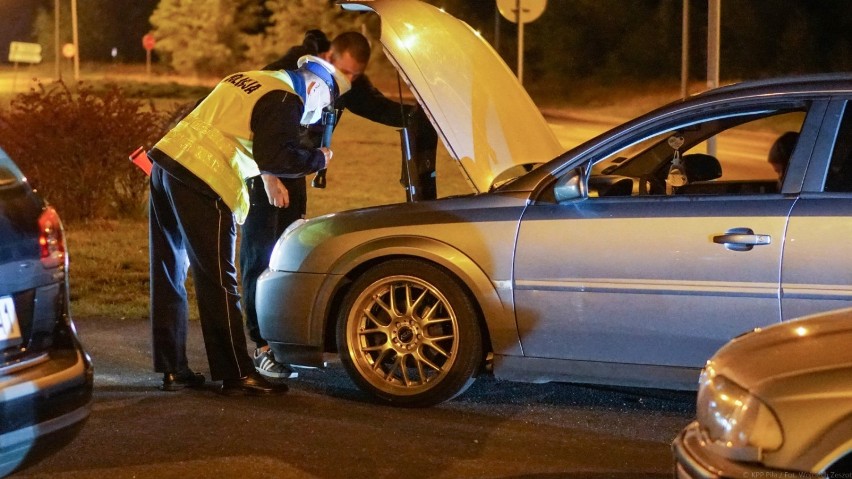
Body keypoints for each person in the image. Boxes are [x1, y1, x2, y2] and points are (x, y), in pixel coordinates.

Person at [147, 54, 350, 395]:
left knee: (168, 270)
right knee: (219, 279)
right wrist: (318, 159)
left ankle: (173, 368)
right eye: (319, 106)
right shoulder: (286, 98)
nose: (310, 119)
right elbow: (276, 157)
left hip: (167, 163)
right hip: (204, 178)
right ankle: (237, 374)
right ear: (315, 86)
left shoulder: (248, 78)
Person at [244, 30, 438, 378]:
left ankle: (280, 337)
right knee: (258, 253)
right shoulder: (291, 67)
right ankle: (260, 346)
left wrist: (427, 112)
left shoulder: (350, 85)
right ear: (330, 55)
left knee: (284, 251)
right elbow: (257, 116)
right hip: (264, 169)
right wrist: (268, 175)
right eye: (343, 71)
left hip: (296, 168)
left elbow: (381, 109)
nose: (345, 81)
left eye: (353, 75)